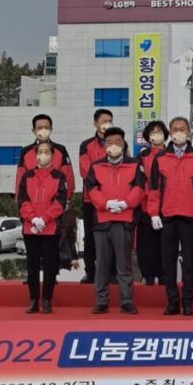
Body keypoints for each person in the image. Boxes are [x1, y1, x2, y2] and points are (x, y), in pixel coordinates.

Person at [149, 117, 193, 316]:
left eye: (182, 128)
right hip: (166, 215)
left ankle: (188, 301)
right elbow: (153, 188)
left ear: (189, 131)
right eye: (175, 129)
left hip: (189, 215)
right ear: (170, 132)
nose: (179, 132)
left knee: (189, 261)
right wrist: (153, 213)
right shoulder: (161, 157)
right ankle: (172, 302)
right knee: (168, 261)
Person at [85, 127, 145, 314]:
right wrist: (105, 204)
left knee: (124, 264)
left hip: (124, 220)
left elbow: (140, 188)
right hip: (102, 220)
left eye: (118, 142)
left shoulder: (134, 165)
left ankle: (126, 301)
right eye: (109, 142)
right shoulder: (96, 166)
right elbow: (91, 189)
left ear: (124, 144)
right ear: (104, 145)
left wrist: (126, 203)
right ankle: (101, 301)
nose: (114, 145)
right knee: (102, 264)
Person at [17, 139, 67, 314]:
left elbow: (60, 202)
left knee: (49, 265)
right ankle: (33, 300)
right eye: (40, 152)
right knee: (32, 266)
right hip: (30, 228)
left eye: (46, 152)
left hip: (50, 228)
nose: (42, 155)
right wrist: (33, 219)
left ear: (52, 155)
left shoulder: (59, 176)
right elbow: (22, 200)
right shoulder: (27, 176)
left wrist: (44, 219)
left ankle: (46, 300)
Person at [78, 108, 114, 284]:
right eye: (104, 121)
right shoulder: (86, 145)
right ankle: (90, 272)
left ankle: (113, 273)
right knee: (91, 237)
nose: (107, 124)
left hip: (113, 200)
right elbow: (86, 171)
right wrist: (104, 179)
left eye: (110, 121)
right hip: (91, 199)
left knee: (113, 236)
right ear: (95, 123)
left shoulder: (118, 143)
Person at [136, 120, 169, 285]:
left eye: (159, 131)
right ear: (148, 137)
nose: (156, 134)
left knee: (165, 243)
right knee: (146, 244)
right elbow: (140, 180)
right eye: (153, 131)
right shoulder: (142, 156)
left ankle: (164, 274)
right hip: (146, 205)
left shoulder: (171, 153)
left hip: (168, 206)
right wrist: (151, 196)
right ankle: (148, 275)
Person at [15, 114, 74, 203]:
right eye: (39, 128)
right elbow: (20, 177)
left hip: (56, 203)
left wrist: (67, 199)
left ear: (51, 129)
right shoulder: (25, 151)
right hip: (31, 204)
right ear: (33, 131)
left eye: (46, 127)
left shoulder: (60, 150)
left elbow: (68, 176)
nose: (43, 130)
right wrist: (20, 200)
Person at [58, 207, 80, 273]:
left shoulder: (69, 234)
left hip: (66, 266)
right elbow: (57, 251)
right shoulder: (63, 234)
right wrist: (70, 260)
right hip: (62, 267)